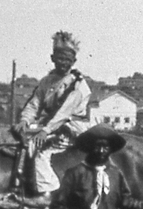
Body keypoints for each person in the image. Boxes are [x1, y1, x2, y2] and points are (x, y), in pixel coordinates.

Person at [13, 31, 92, 200]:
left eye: (68, 60)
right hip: (52, 125)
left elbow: (63, 114)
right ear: (53, 57)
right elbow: (34, 104)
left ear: (74, 61)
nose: (63, 63)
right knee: (20, 137)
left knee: (39, 147)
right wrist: (24, 121)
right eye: (60, 58)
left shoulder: (78, 84)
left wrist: (45, 131)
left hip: (72, 126)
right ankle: (19, 180)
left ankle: (48, 192)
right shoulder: (47, 81)